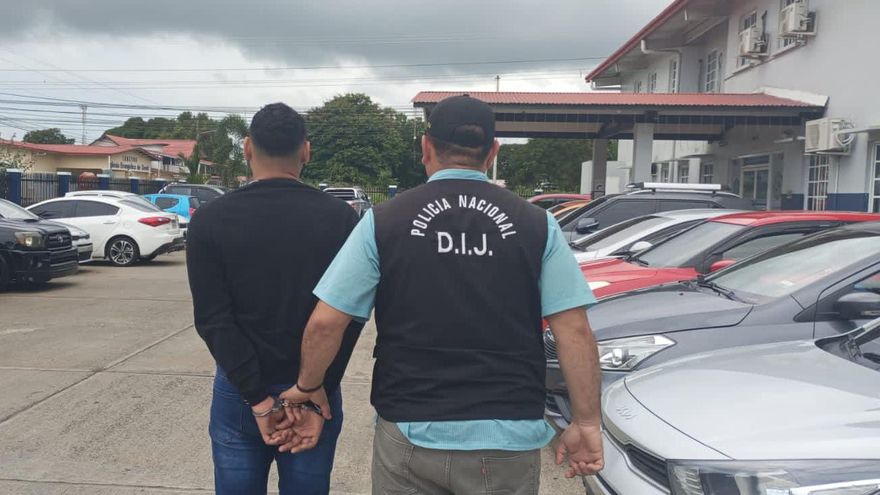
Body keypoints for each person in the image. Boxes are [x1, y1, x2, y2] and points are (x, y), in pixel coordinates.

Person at [280, 95, 604, 494]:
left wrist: (308, 388)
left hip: (411, 430)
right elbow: (574, 331)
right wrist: (586, 421)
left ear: (426, 147)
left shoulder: (385, 221)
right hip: (507, 436)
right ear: (493, 152)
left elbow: (327, 323)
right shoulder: (538, 225)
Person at [186, 102, 363, 495]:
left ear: (248, 148)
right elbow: (349, 317)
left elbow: (213, 320)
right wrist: (315, 389)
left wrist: (259, 399)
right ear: (306, 151)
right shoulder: (340, 219)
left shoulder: (211, 220)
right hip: (315, 388)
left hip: (240, 390)